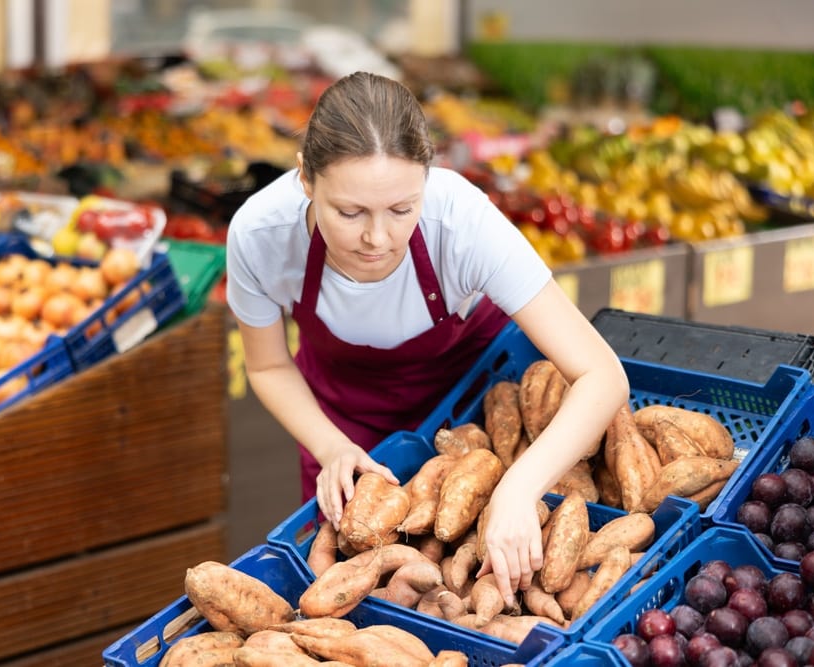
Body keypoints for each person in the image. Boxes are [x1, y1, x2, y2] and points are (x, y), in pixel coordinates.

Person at [225, 71, 629, 607]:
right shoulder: (259, 235)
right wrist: (330, 447)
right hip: (344, 433)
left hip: (472, 417)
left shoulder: (462, 222)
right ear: (305, 179)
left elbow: (602, 376)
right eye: (349, 213)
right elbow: (268, 366)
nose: (378, 238)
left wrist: (517, 487)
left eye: (401, 209)